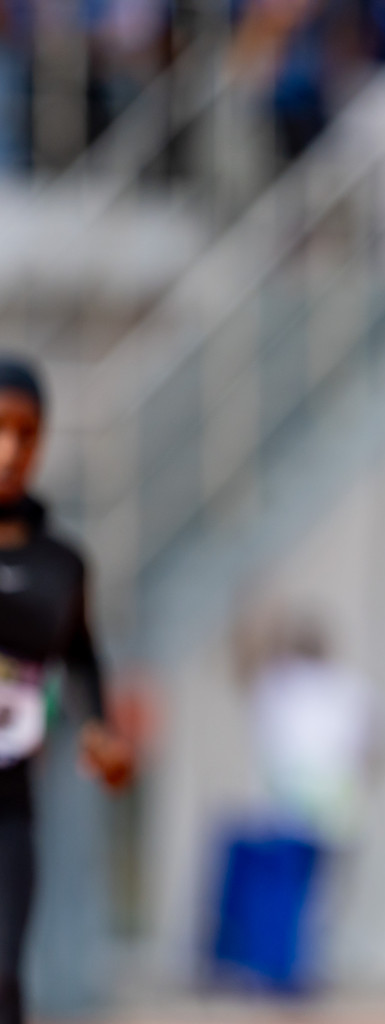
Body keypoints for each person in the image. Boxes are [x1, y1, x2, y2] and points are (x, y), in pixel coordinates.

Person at [0, 356, 133, 1024]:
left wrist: (102, 730)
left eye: (26, 433)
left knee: (2, 980)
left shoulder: (62, 564)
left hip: (9, 810)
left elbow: (81, 657)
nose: (9, 451)